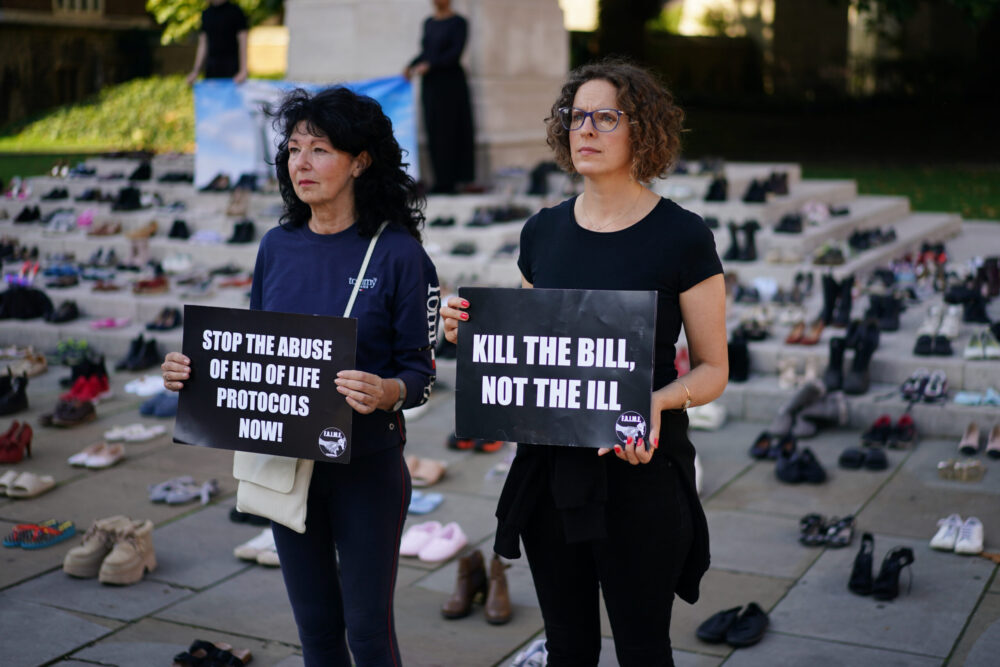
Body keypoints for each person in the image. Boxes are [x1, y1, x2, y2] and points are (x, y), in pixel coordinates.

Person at [440, 60, 729, 666]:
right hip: (552, 475)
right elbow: (531, 351)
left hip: (638, 471)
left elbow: (712, 368)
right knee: (567, 647)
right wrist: (471, 333)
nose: (586, 130)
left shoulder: (682, 236)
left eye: (606, 117)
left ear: (642, 130)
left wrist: (655, 402)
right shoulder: (543, 232)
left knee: (643, 649)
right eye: (576, 117)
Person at [161, 86, 440, 666]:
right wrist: (195, 373)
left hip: (367, 469)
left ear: (360, 161)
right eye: (293, 149)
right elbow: (258, 355)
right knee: (315, 631)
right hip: (287, 466)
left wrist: (387, 391)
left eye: (320, 150)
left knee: (368, 634)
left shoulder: (400, 256)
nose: (301, 164)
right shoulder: (276, 246)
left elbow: (420, 373)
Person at [404, 0, 475, 194]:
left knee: (451, 129)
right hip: (431, 85)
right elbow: (426, 52)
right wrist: (411, 65)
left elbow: (455, 53)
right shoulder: (429, 22)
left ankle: (453, 181)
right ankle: (440, 180)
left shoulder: (459, 22)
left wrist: (430, 65)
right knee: (434, 129)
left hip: (451, 84)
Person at [186, 0, 249, 85]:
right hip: (212, 70)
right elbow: (203, 45)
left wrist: (243, 70)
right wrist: (195, 71)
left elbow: (243, 42)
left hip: (232, 70)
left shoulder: (236, 11)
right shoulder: (206, 14)